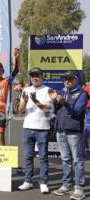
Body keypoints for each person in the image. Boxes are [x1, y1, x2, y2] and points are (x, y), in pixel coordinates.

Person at [49, 71, 87, 200]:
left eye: (70, 79)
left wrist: (64, 102)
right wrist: (55, 101)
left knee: (77, 160)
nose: (67, 81)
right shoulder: (62, 92)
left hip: (74, 131)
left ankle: (79, 188)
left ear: (76, 80)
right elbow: (54, 110)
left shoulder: (82, 93)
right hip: (61, 129)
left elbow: (77, 112)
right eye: (65, 79)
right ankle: (66, 185)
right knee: (65, 159)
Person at [17, 67, 52, 194]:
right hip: (27, 127)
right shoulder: (26, 90)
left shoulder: (48, 90)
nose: (34, 78)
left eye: (37, 76)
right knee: (28, 156)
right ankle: (28, 181)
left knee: (43, 157)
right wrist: (25, 101)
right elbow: (20, 110)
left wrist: (36, 100)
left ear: (42, 77)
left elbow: (47, 109)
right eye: (32, 76)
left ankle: (43, 182)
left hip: (42, 128)